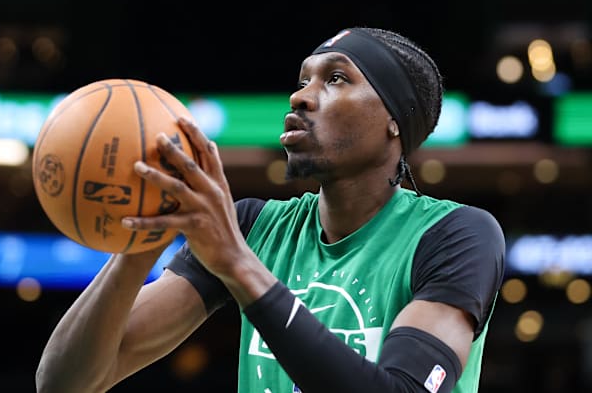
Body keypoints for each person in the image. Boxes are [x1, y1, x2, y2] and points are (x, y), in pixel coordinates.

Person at [35, 27, 505, 393]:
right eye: (302, 80)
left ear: (393, 121)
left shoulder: (457, 235)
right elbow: (66, 382)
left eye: (336, 78)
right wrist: (144, 237)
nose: (300, 96)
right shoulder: (254, 228)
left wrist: (237, 264)